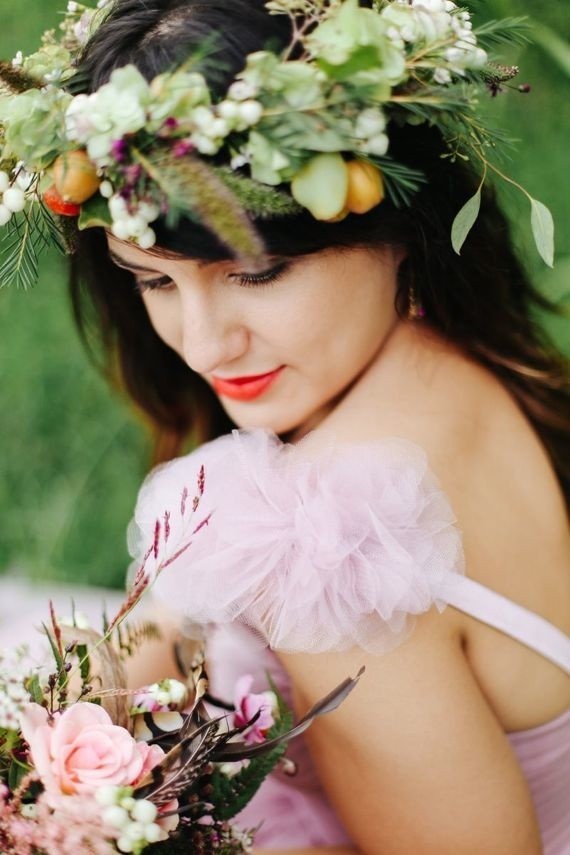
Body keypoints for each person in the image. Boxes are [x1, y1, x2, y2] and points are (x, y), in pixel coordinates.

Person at [3, 0, 569, 851]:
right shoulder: (451, 357)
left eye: (257, 273)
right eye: (153, 281)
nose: (204, 345)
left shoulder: (327, 542)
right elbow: (174, 628)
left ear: (396, 222)